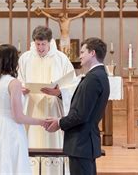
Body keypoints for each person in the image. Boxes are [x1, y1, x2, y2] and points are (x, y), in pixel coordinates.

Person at [18, 25, 77, 174]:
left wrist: (58, 92)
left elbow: (71, 85)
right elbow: (18, 80)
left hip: (53, 108)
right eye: (37, 44)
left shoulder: (61, 59)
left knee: (54, 144)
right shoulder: (25, 58)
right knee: (31, 141)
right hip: (32, 108)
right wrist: (22, 89)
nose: (40, 48)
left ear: (50, 42)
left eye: (43, 44)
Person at [46, 37, 110, 175]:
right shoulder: (99, 75)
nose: (79, 55)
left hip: (81, 143)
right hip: (85, 142)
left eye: (82, 52)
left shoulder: (93, 78)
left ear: (92, 53)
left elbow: (81, 115)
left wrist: (59, 122)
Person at [0, 44, 47, 175]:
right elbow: (18, 117)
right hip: (12, 130)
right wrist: (41, 122)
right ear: (13, 60)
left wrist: (19, 94)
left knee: (0, 164)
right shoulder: (14, 83)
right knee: (14, 165)